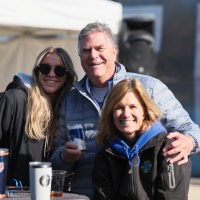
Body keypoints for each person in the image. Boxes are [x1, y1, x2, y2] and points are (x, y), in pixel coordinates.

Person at [50, 22, 200, 198]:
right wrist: (64, 156)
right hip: (84, 195)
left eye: (100, 48)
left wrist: (190, 141)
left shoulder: (149, 88)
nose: (93, 55)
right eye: (86, 50)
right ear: (79, 55)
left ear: (114, 51)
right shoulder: (70, 100)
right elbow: (54, 159)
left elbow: (188, 127)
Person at [92, 79, 191, 200]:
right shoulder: (105, 155)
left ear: (144, 111)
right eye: (119, 107)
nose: (126, 114)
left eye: (133, 106)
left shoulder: (170, 149)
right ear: (111, 113)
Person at [0, 47, 77, 187]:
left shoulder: (64, 109)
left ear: (67, 76)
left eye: (59, 70)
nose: (52, 74)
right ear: (37, 71)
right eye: (45, 68)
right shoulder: (14, 99)